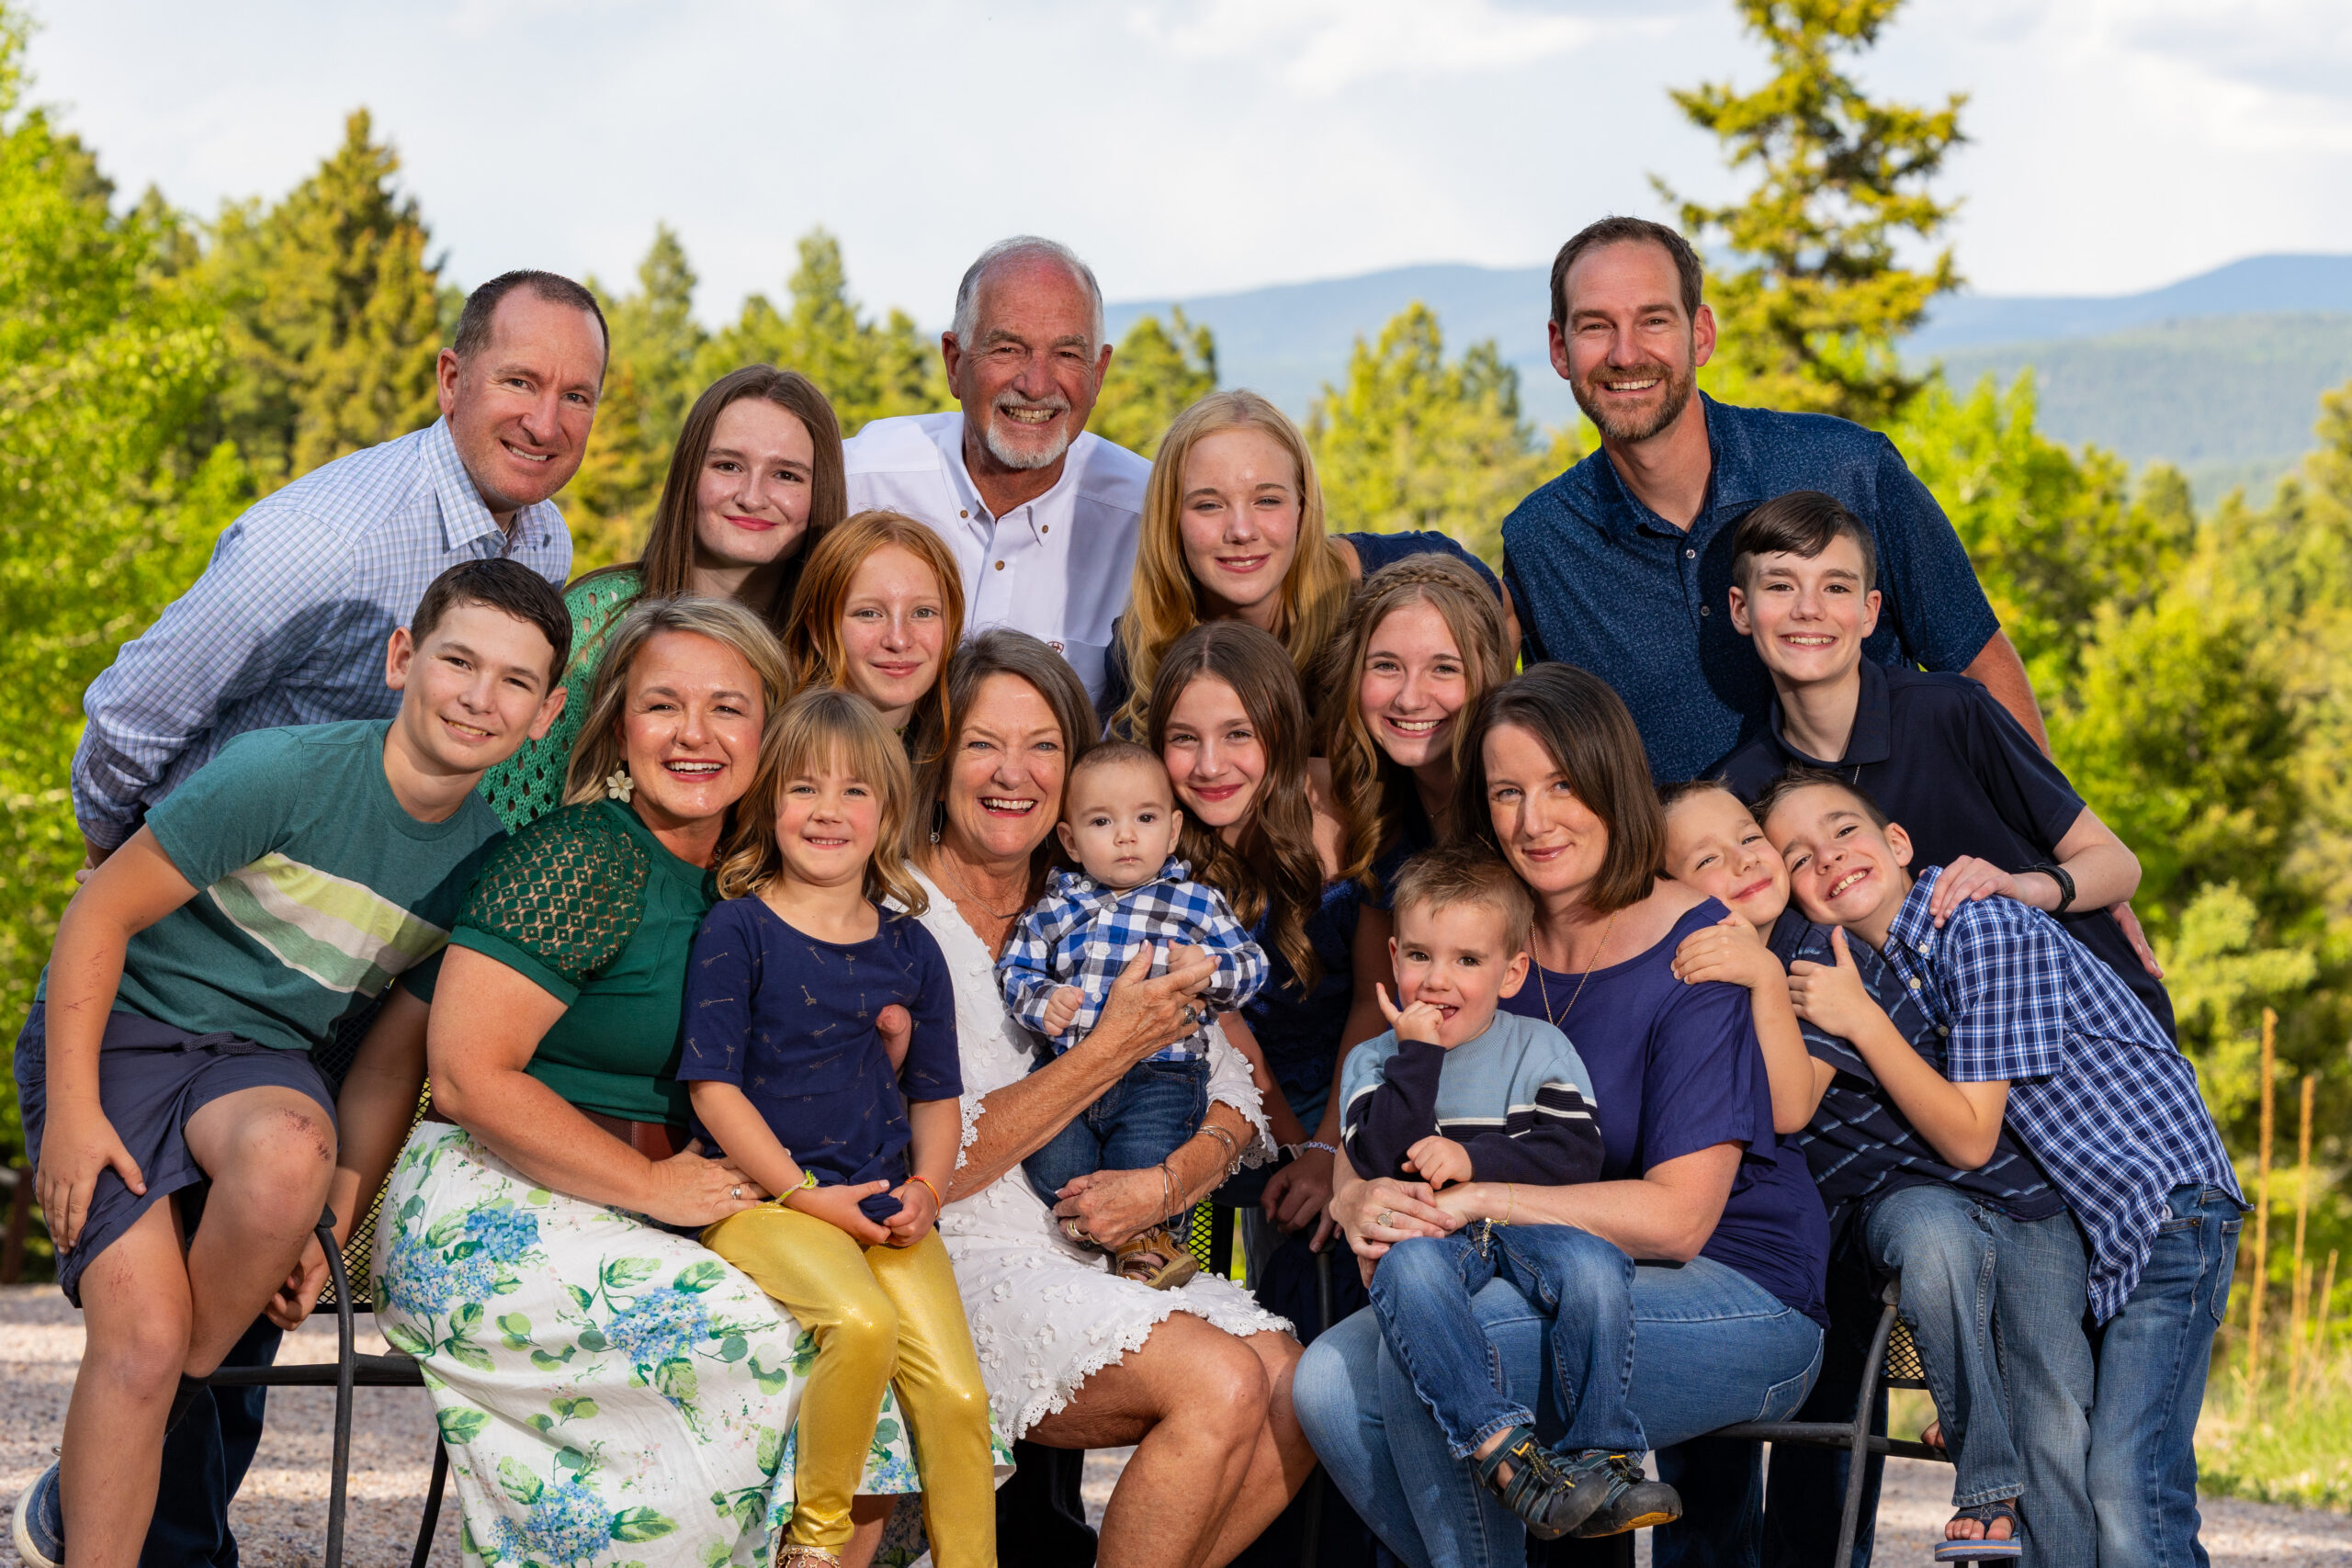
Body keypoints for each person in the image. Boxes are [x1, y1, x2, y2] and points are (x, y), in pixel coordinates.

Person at [11, 560, 574, 1568]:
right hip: (121, 1033)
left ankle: (117, 1439)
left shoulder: (479, 866)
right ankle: (101, 1486)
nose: (479, 698)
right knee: (135, 1343)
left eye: (515, 681)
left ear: (546, 713)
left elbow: (387, 1068)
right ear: (404, 660)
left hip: (259, 1062)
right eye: (457, 661)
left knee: (284, 1166)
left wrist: (338, 1216)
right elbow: (97, 911)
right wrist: (77, 1112)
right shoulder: (283, 773)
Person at [373, 598, 934, 1568]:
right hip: (502, 1191)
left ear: (770, 730)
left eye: (727, 708)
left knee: (876, 1367)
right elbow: (465, 1078)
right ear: (617, 724)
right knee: (738, 1336)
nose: (693, 735)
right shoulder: (582, 857)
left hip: (681, 1199)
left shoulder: (759, 887)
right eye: (661, 705)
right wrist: (645, 1186)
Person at [1295, 663, 1830, 1566]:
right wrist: (1353, 1193)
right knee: (1321, 1385)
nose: (1535, 820)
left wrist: (1479, 1199)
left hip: (1743, 1290)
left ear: (1610, 782)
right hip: (1542, 1269)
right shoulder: (1483, 941)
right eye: (1508, 793)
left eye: (1562, 785)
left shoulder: (1693, 942)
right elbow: (1387, 1073)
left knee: (1452, 1356)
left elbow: (1677, 1218)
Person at [1758, 769, 2241, 1567]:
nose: (1830, 858)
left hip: (2166, 1208)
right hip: (2110, 1229)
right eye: (1799, 856)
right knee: (2100, 1473)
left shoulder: (1978, 925)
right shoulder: (1894, 964)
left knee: (2129, 1488)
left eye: (1844, 830)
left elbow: (1973, 1139)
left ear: (1898, 842)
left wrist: (1859, 1020)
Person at [907, 629, 1316, 1567]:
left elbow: (1229, 1087)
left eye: (1042, 744)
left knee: (1294, 1387)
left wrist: (1164, 1186)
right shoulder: (895, 914)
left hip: (1120, 1235)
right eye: (982, 744)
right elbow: (932, 1168)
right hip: (960, 1252)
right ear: (940, 756)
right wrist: (1106, 1049)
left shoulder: (1105, 891)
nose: (1013, 771)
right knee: (1218, 1382)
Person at [1664, 780, 2090, 1564]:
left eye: (1749, 842)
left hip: (1970, 1200)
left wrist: (1760, 977)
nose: (1743, 862)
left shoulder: (1820, 952)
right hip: (1833, 1221)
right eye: (1706, 858)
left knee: (2053, 1431)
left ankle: (1991, 1481)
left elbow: (1791, 1104)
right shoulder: (1685, 964)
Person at [77, 269, 603, 864]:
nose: (545, 423)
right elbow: (132, 717)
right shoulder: (324, 544)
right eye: (520, 382)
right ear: (452, 381)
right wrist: (109, 873)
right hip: (197, 889)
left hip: (354, 911)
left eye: (576, 396)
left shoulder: (545, 543)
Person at [1498, 215, 2041, 785]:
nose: (1626, 353)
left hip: (1900, 861)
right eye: (1595, 327)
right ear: (1560, 349)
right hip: (1692, 874)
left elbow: (1981, 664)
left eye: (1654, 320)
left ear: (1701, 334)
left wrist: (2032, 855)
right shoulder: (1542, 544)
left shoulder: (1850, 469)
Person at [681, 687, 1004, 1568]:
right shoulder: (736, 929)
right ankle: (816, 1546)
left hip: (888, 1203)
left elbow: (936, 1093)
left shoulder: (910, 947)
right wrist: (807, 1197)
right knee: (859, 1325)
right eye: (802, 788)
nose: (828, 810)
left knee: (960, 1399)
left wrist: (929, 1189)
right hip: (763, 1198)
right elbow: (713, 1089)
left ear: (891, 809)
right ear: (768, 804)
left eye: (855, 790)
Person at [1713, 490, 2172, 1034]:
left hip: (2091, 1030)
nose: (1808, 608)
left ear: (1868, 612)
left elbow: (2117, 864)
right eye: (1781, 585)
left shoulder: (1951, 710)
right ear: (1742, 609)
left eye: (1836, 587)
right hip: (1945, 1075)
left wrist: (2024, 887)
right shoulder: (1741, 790)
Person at [1341, 844, 1671, 1542]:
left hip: (1526, 1228)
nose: (1438, 980)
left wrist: (1471, 1157)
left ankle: (1605, 1456)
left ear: (1511, 970)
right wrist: (1417, 1055)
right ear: (1394, 957)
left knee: (1593, 1264)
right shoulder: (1374, 1059)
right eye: (1420, 957)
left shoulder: (1540, 1046)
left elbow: (1577, 1154)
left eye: (1467, 960)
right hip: (1436, 1241)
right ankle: (1507, 1455)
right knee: (1406, 1266)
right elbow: (1375, 1155)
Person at [484, 364, 847, 829]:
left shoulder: (839, 645)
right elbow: (505, 817)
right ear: (689, 477)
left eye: (787, 475)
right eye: (728, 466)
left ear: (823, 492)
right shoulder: (595, 621)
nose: (753, 497)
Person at [999, 739, 1269, 1286]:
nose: (1126, 835)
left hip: (1160, 1070)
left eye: (1144, 818)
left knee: (1145, 1155)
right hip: (1070, 1073)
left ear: (1171, 831)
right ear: (1071, 841)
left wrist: (1208, 969)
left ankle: (1144, 1246)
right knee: (1050, 1158)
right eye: (1102, 821)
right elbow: (1015, 969)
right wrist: (1043, 1002)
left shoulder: (1195, 903)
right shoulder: (1056, 909)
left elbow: (1253, 965)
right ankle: (1094, 1230)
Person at [1102, 389, 1513, 736]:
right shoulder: (1143, 648)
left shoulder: (1388, 578)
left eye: (1267, 501)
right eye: (1209, 505)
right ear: (1170, 518)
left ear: (1302, 506)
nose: (1242, 531)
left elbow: (1502, 614)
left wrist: (1465, 746)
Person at [842, 236, 1142, 707]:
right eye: (1007, 348)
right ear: (954, 362)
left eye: (1066, 354)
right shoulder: (857, 482)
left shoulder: (1146, 519)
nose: (1036, 384)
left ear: (1098, 372)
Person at [786, 510, 966, 745]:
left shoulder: (955, 755)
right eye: (869, 614)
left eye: (923, 613)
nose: (899, 640)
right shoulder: (790, 758)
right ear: (819, 629)